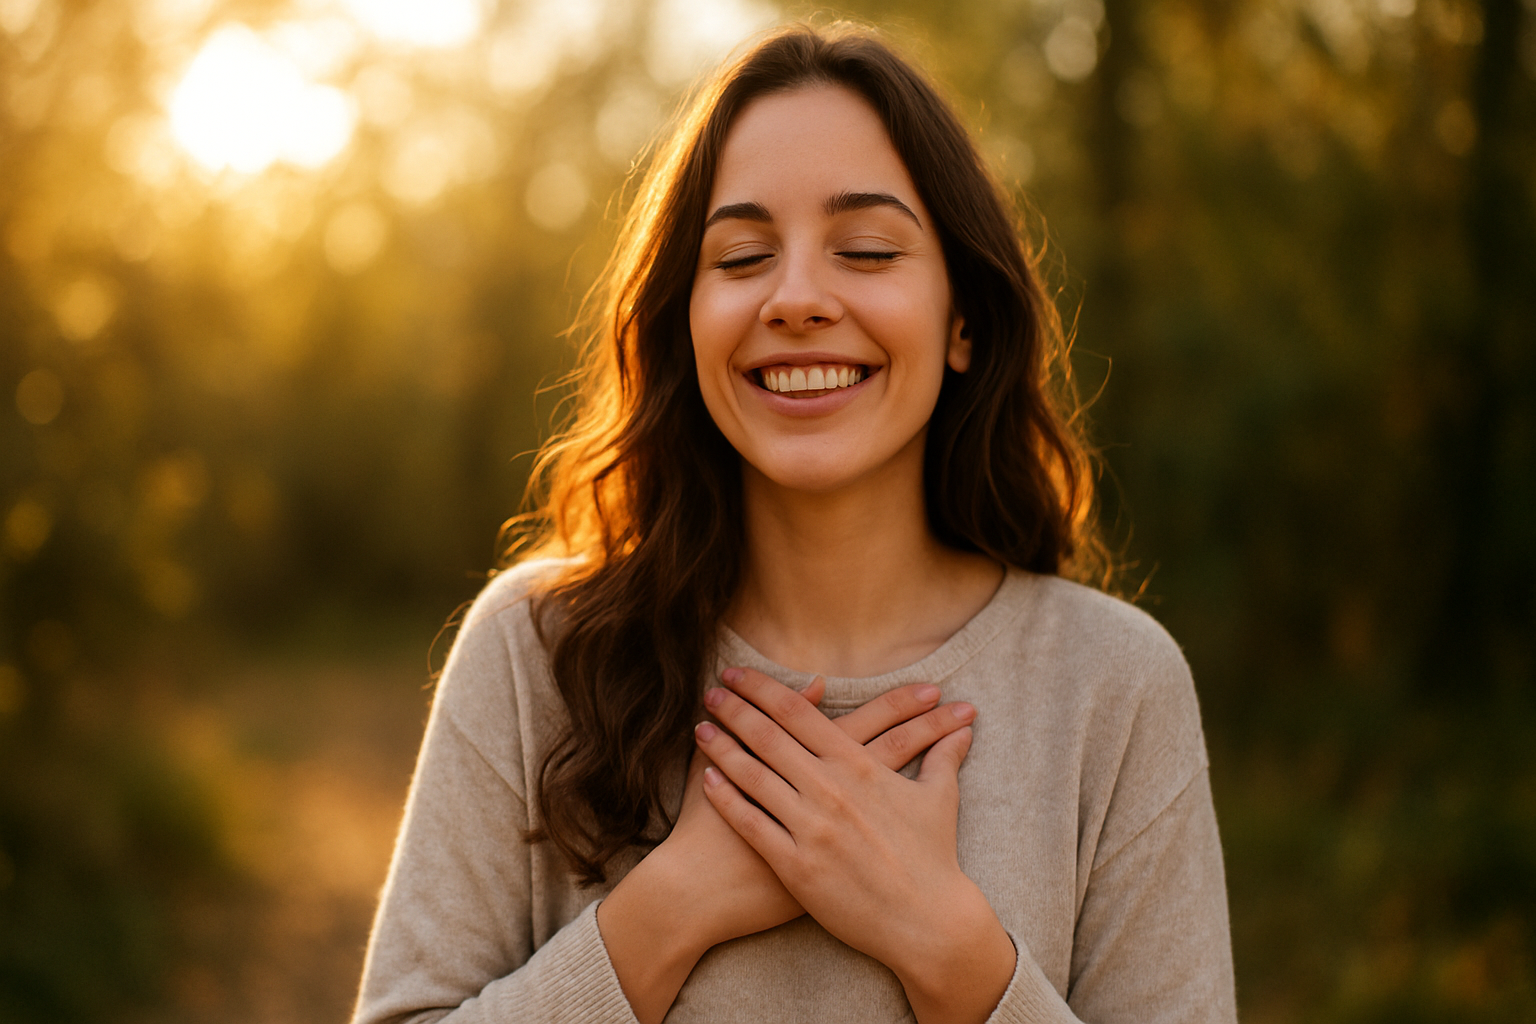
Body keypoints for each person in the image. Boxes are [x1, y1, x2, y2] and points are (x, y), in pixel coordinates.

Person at [352, 22, 1236, 1024]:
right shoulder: (535, 650)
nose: (798, 298)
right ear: (686, 320)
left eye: (866, 250)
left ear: (962, 320)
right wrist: (670, 908)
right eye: (741, 257)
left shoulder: (1115, 687)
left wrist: (949, 950)